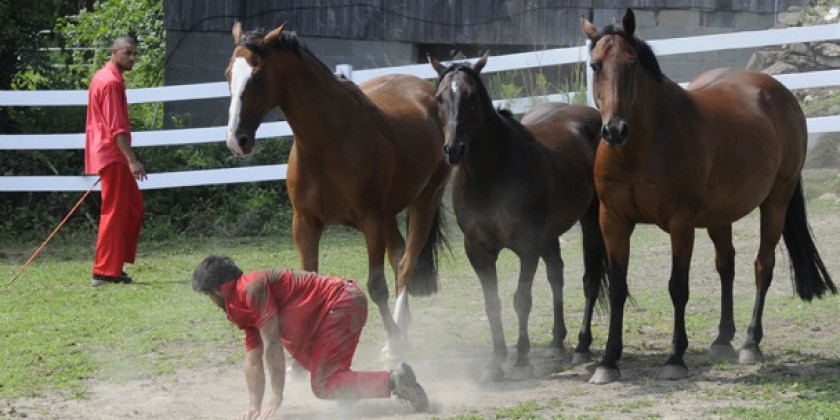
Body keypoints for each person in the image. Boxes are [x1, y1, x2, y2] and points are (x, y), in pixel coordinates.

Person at [191, 255, 429, 418]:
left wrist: (276, 395)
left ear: (220, 289)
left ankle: (395, 381)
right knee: (308, 360)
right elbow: (253, 358)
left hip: (342, 303)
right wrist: (254, 405)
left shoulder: (250, 288)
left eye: (207, 296)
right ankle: (350, 389)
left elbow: (272, 344)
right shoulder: (239, 302)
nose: (210, 302)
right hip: (339, 308)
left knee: (322, 385)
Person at [84, 35, 146, 287]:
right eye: (127, 53)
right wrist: (132, 160)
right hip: (114, 154)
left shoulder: (103, 77)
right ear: (114, 51)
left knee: (133, 207)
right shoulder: (110, 82)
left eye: (134, 54)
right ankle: (104, 271)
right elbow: (117, 128)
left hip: (108, 153)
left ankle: (113, 264)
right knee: (115, 212)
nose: (132, 58)